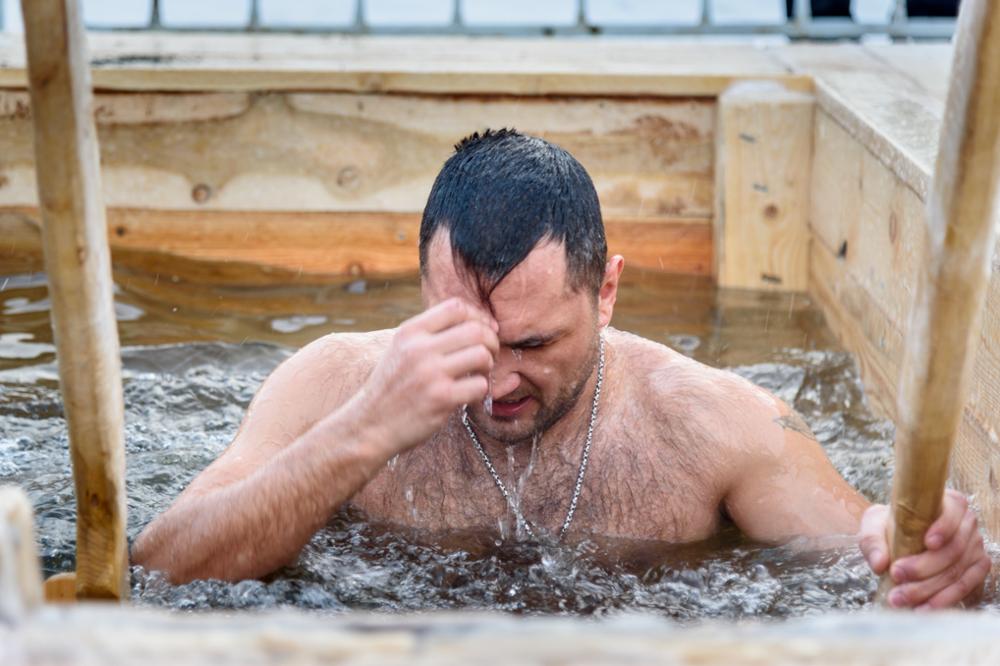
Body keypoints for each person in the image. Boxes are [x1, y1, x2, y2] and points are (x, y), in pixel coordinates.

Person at [133, 128, 990, 610]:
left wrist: (923, 552)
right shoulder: (335, 384)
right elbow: (157, 570)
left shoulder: (711, 423)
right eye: (462, 333)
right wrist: (362, 433)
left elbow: (868, 554)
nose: (496, 377)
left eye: (534, 344)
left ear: (607, 291)